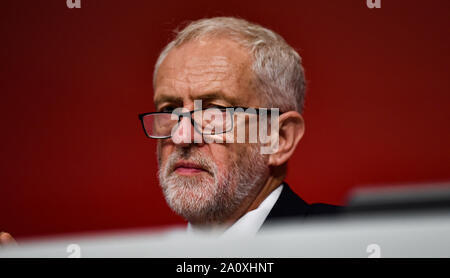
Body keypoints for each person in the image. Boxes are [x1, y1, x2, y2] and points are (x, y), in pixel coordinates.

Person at [139, 17, 340, 237]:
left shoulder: (349, 242)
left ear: (279, 138)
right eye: (170, 110)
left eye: (213, 110)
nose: (182, 136)